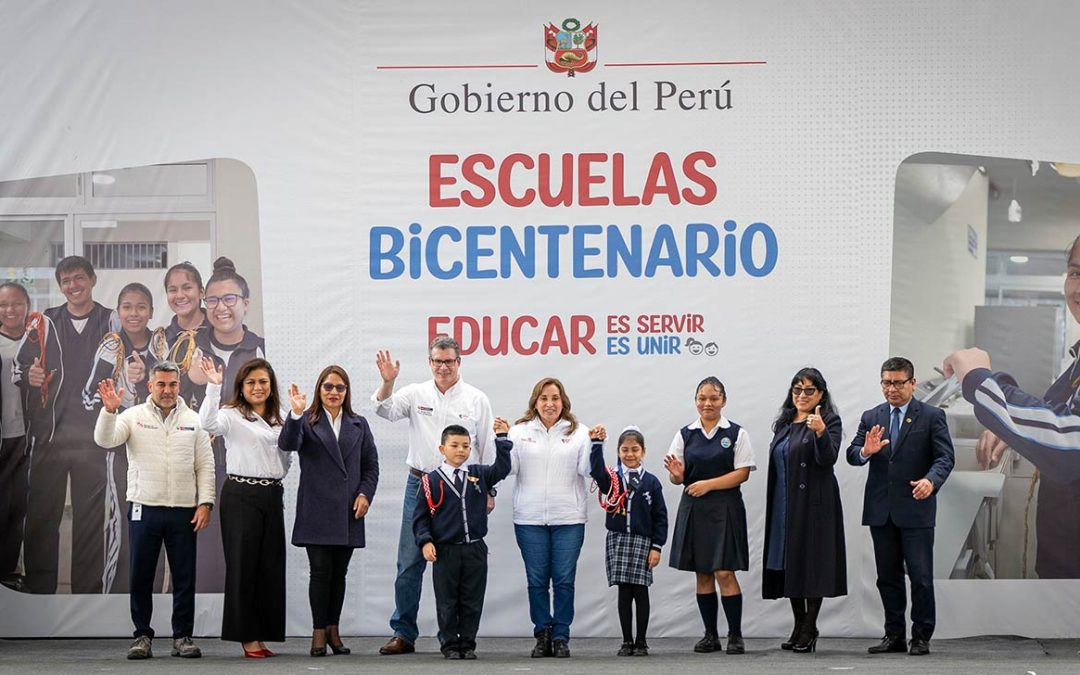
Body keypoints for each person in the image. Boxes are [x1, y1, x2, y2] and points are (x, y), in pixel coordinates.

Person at [943, 235, 1080, 579]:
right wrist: (1010, 428)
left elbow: (1068, 445)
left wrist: (979, 379)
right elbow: (1056, 415)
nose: (1079, 286)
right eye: (1076, 273)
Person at [371, 336, 495, 656]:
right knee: (409, 562)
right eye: (437, 361)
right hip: (422, 483)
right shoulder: (415, 393)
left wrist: (488, 491)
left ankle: (458, 638)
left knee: (457, 566)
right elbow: (383, 409)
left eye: (449, 361)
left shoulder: (476, 399)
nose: (442, 367)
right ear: (430, 362)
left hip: (463, 489)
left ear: (459, 362)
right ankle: (404, 633)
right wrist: (388, 382)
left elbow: (485, 447)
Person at [93, 361, 216, 660]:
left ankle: (182, 637)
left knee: (184, 577)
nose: (167, 390)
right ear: (150, 386)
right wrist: (109, 411)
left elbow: (205, 465)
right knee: (141, 575)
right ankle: (142, 636)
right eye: (160, 384)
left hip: (183, 511)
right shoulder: (132, 416)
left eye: (172, 384)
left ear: (179, 386)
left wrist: (206, 502)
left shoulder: (193, 420)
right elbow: (105, 439)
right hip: (143, 508)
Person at [14, 255, 113, 594]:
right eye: (66, 281)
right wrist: (30, 374)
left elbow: (126, 366)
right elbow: (20, 367)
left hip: (95, 440)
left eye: (79, 278)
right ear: (60, 286)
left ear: (92, 279)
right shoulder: (44, 322)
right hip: (50, 437)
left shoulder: (110, 320)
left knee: (90, 521)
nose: (73, 286)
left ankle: (87, 594)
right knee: (42, 518)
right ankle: (40, 591)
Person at [846, 356, 954, 656]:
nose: (891, 389)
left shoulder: (931, 416)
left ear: (912, 383)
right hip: (881, 511)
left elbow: (945, 458)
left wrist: (931, 482)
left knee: (920, 577)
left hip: (916, 509)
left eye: (897, 383)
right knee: (887, 578)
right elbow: (852, 453)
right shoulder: (872, 416)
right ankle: (893, 636)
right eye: (886, 382)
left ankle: (921, 636)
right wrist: (865, 452)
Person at [279, 365, 379, 657]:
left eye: (340, 388)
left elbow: (370, 465)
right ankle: (318, 631)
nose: (334, 392)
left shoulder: (358, 424)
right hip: (317, 509)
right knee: (320, 573)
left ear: (347, 392)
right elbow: (287, 444)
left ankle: (334, 630)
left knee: (340, 573)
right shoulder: (307, 421)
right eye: (328, 387)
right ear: (319, 389)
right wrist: (295, 414)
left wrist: (365, 494)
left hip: (349, 510)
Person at [198, 357, 289, 658]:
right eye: (251, 382)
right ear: (241, 386)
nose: (258, 387)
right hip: (241, 495)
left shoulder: (281, 417)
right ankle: (247, 638)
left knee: (269, 568)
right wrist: (213, 386)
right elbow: (207, 424)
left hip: (272, 495)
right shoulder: (231, 414)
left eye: (263, 381)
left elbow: (288, 455)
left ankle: (262, 635)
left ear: (271, 385)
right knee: (243, 566)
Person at [664, 376, 755, 655]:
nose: (708, 403)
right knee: (703, 573)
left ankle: (735, 635)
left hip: (725, 507)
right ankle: (710, 635)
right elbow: (676, 476)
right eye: (702, 398)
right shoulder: (684, 434)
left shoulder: (737, 433)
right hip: (694, 508)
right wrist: (677, 476)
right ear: (695, 401)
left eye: (714, 398)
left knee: (724, 571)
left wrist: (709, 484)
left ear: (723, 401)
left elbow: (742, 473)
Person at [188, 256, 264, 592]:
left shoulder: (261, 349)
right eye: (214, 300)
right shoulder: (192, 346)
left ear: (245, 304)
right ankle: (201, 621)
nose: (221, 307)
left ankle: (243, 619)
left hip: (246, 466)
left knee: (244, 546)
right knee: (202, 548)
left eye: (230, 299)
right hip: (199, 464)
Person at [762, 368, 846, 654]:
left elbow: (828, 458)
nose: (801, 395)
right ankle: (799, 625)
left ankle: (810, 627)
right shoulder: (784, 423)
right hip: (784, 504)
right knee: (790, 563)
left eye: (809, 390)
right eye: (797, 389)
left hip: (814, 505)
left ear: (821, 394)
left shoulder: (829, 421)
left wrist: (821, 432)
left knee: (812, 565)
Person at [507, 377, 592, 658]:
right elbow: (509, 469)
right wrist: (500, 441)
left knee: (564, 579)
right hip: (529, 519)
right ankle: (542, 633)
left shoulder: (580, 432)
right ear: (535, 402)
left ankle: (561, 636)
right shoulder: (518, 432)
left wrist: (599, 444)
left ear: (563, 402)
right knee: (537, 580)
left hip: (569, 518)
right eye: (544, 398)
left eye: (555, 398)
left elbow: (588, 471)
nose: (549, 404)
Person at [412, 421, 512, 659]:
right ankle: (449, 645)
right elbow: (420, 518)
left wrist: (502, 439)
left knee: (472, 599)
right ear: (441, 449)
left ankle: (467, 643)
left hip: (475, 549)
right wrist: (425, 541)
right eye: (454, 445)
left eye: (465, 446)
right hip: (445, 551)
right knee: (446, 601)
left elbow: (502, 469)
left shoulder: (479, 474)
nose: (460, 450)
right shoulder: (430, 481)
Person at [588, 424, 668, 657]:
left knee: (641, 591)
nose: (630, 454)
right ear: (618, 451)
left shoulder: (651, 482)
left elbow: (660, 517)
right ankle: (626, 641)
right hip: (618, 540)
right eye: (625, 450)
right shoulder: (612, 479)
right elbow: (596, 471)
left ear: (643, 451)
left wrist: (656, 546)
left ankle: (641, 641)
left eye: (635, 449)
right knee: (624, 591)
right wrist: (596, 445)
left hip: (643, 542)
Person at [0, 281, 30, 589]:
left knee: (22, 506)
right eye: (3, 305)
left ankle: (12, 570)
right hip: (3, 436)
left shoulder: (36, 341)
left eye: (16, 303)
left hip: (27, 435)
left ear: (27, 306)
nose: (10, 310)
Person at [162, 261, 207, 412]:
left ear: (201, 292)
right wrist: (141, 377)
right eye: (173, 290)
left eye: (187, 288)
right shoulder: (161, 340)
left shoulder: (218, 331)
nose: (180, 295)